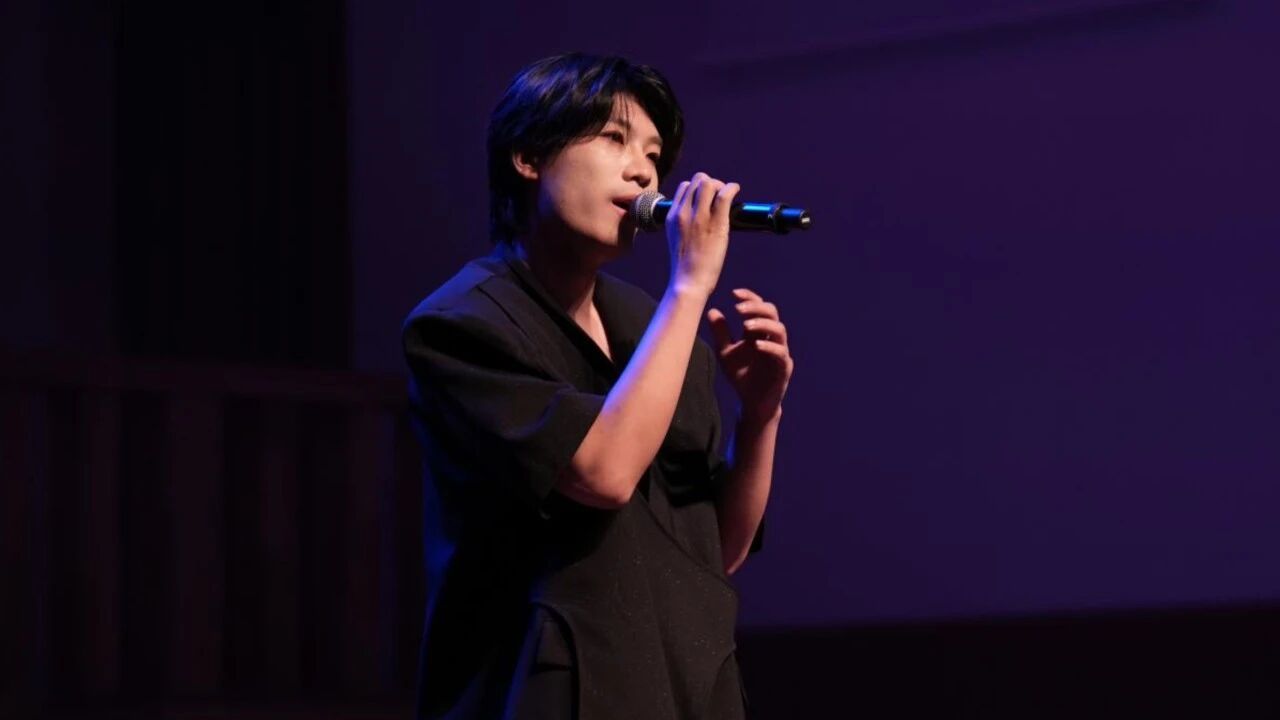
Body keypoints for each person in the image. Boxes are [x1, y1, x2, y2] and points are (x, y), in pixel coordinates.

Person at [402, 52, 794, 720]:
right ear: (529, 157)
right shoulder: (460, 325)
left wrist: (760, 417)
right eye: (615, 138)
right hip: (557, 692)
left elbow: (717, 550)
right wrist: (690, 286)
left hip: (688, 685)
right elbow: (604, 474)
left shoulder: (652, 327)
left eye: (653, 155)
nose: (643, 172)